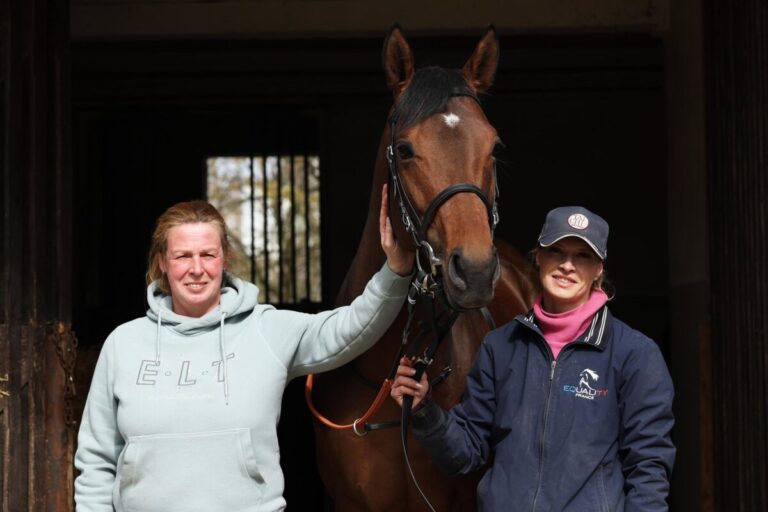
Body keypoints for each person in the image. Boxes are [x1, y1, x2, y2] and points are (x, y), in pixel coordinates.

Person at [74, 185, 413, 512]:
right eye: (182, 256)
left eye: (208, 254)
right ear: (162, 262)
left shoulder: (266, 330)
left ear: (225, 259)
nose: (196, 269)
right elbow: (97, 460)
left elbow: (350, 327)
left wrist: (395, 272)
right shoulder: (123, 344)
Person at [391, 206, 675, 511]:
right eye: (557, 251)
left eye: (583, 256)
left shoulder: (635, 354)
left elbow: (649, 469)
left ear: (599, 270)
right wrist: (423, 410)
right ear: (538, 256)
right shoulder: (500, 347)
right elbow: (465, 454)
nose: (567, 265)